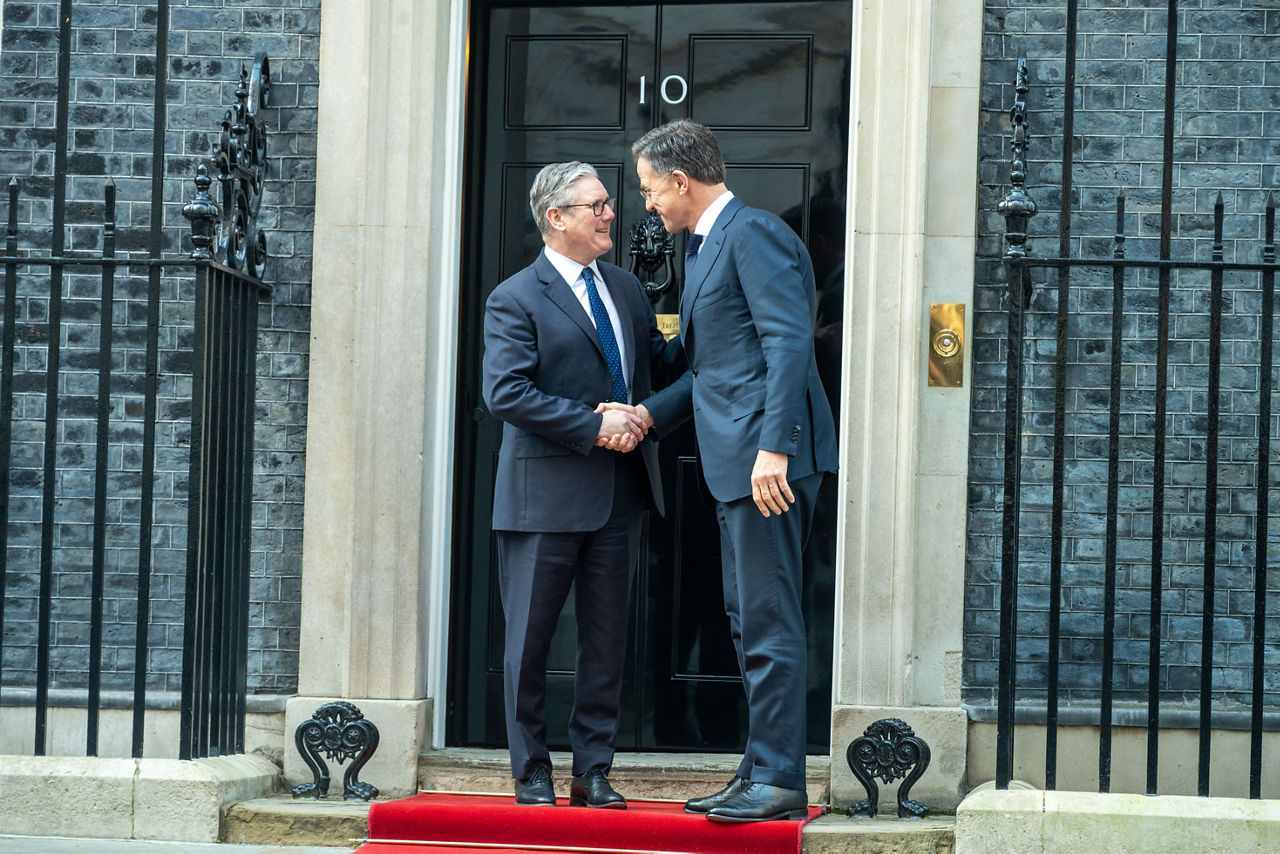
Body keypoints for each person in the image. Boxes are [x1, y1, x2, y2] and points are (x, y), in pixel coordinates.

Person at [608, 119, 838, 822]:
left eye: (650, 191)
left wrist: (776, 447)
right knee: (747, 622)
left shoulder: (753, 233)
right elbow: (716, 370)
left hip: (767, 465)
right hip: (739, 464)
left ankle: (780, 781)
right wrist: (648, 414)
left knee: (769, 621)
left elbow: (788, 338)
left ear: (681, 181)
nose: (647, 205)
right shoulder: (707, 247)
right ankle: (761, 767)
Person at [482, 162, 674, 809]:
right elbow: (506, 391)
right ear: (556, 217)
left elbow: (660, 362)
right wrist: (594, 426)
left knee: (605, 644)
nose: (610, 214)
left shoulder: (625, 288)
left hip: (619, 497)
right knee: (529, 646)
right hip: (542, 500)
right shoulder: (515, 297)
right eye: (595, 205)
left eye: (608, 203)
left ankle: (593, 770)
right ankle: (530, 769)